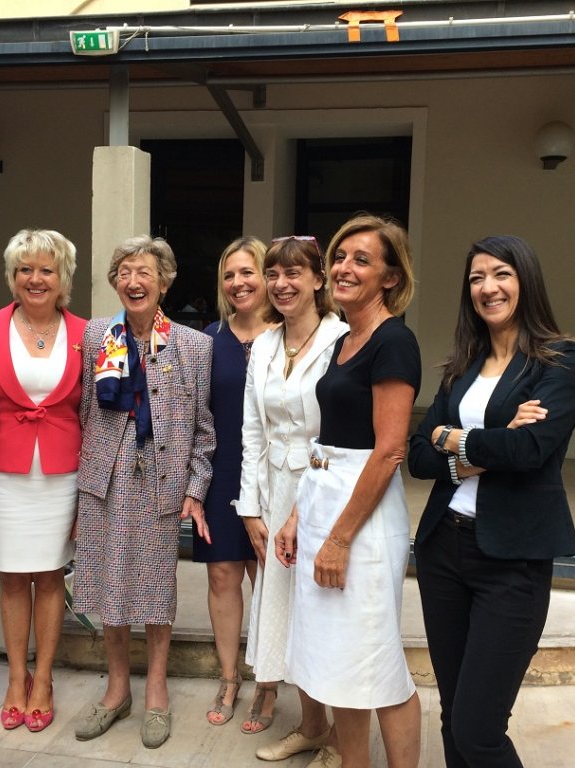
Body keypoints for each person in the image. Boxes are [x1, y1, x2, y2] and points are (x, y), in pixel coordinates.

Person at [408, 235, 575, 767]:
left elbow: (530, 449)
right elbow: (417, 456)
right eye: (476, 278)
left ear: (524, 279)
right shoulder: (463, 364)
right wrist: (480, 441)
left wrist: (453, 438)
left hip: (511, 562)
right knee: (452, 713)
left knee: (478, 729)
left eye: (501, 273)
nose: (488, 287)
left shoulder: (560, 360)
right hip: (444, 550)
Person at [275, 214, 422, 768]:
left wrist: (337, 539)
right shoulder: (345, 339)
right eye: (339, 256)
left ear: (390, 277)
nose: (343, 267)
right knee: (339, 664)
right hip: (324, 505)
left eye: (362, 259)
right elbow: (330, 439)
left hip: (361, 521)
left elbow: (387, 451)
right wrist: (296, 517)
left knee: (377, 662)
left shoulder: (394, 342)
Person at [72, 235, 216, 749]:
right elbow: (86, 414)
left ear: (164, 282)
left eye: (144, 272)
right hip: (105, 479)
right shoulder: (96, 337)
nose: (134, 281)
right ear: (115, 281)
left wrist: (195, 487)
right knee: (110, 583)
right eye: (125, 272)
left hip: (162, 479)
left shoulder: (194, 346)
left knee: (156, 590)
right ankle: (116, 691)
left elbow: (204, 428)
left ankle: (156, 691)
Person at [0, 229, 87, 733]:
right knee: (14, 577)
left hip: (63, 473)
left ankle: (44, 679)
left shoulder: (90, 331)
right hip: (2, 470)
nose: (36, 279)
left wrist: (92, 489)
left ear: (63, 278)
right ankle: (15, 678)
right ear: (13, 277)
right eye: (25, 269)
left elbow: (97, 413)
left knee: (51, 574)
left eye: (46, 269)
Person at [236, 236, 348, 763]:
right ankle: (311, 724)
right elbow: (252, 432)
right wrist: (251, 509)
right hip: (276, 494)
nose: (282, 283)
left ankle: (342, 740)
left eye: (294, 273)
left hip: (327, 492)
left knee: (326, 611)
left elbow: (345, 434)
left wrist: (305, 512)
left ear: (318, 280)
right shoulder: (263, 344)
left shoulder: (343, 340)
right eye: (274, 274)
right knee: (286, 609)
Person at [194, 237, 274, 727]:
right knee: (223, 574)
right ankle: (229, 676)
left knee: (267, 577)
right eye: (229, 275)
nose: (238, 283)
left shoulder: (290, 336)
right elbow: (194, 415)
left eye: (248, 272)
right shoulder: (209, 338)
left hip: (272, 474)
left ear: (268, 277)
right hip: (221, 471)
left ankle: (268, 681)